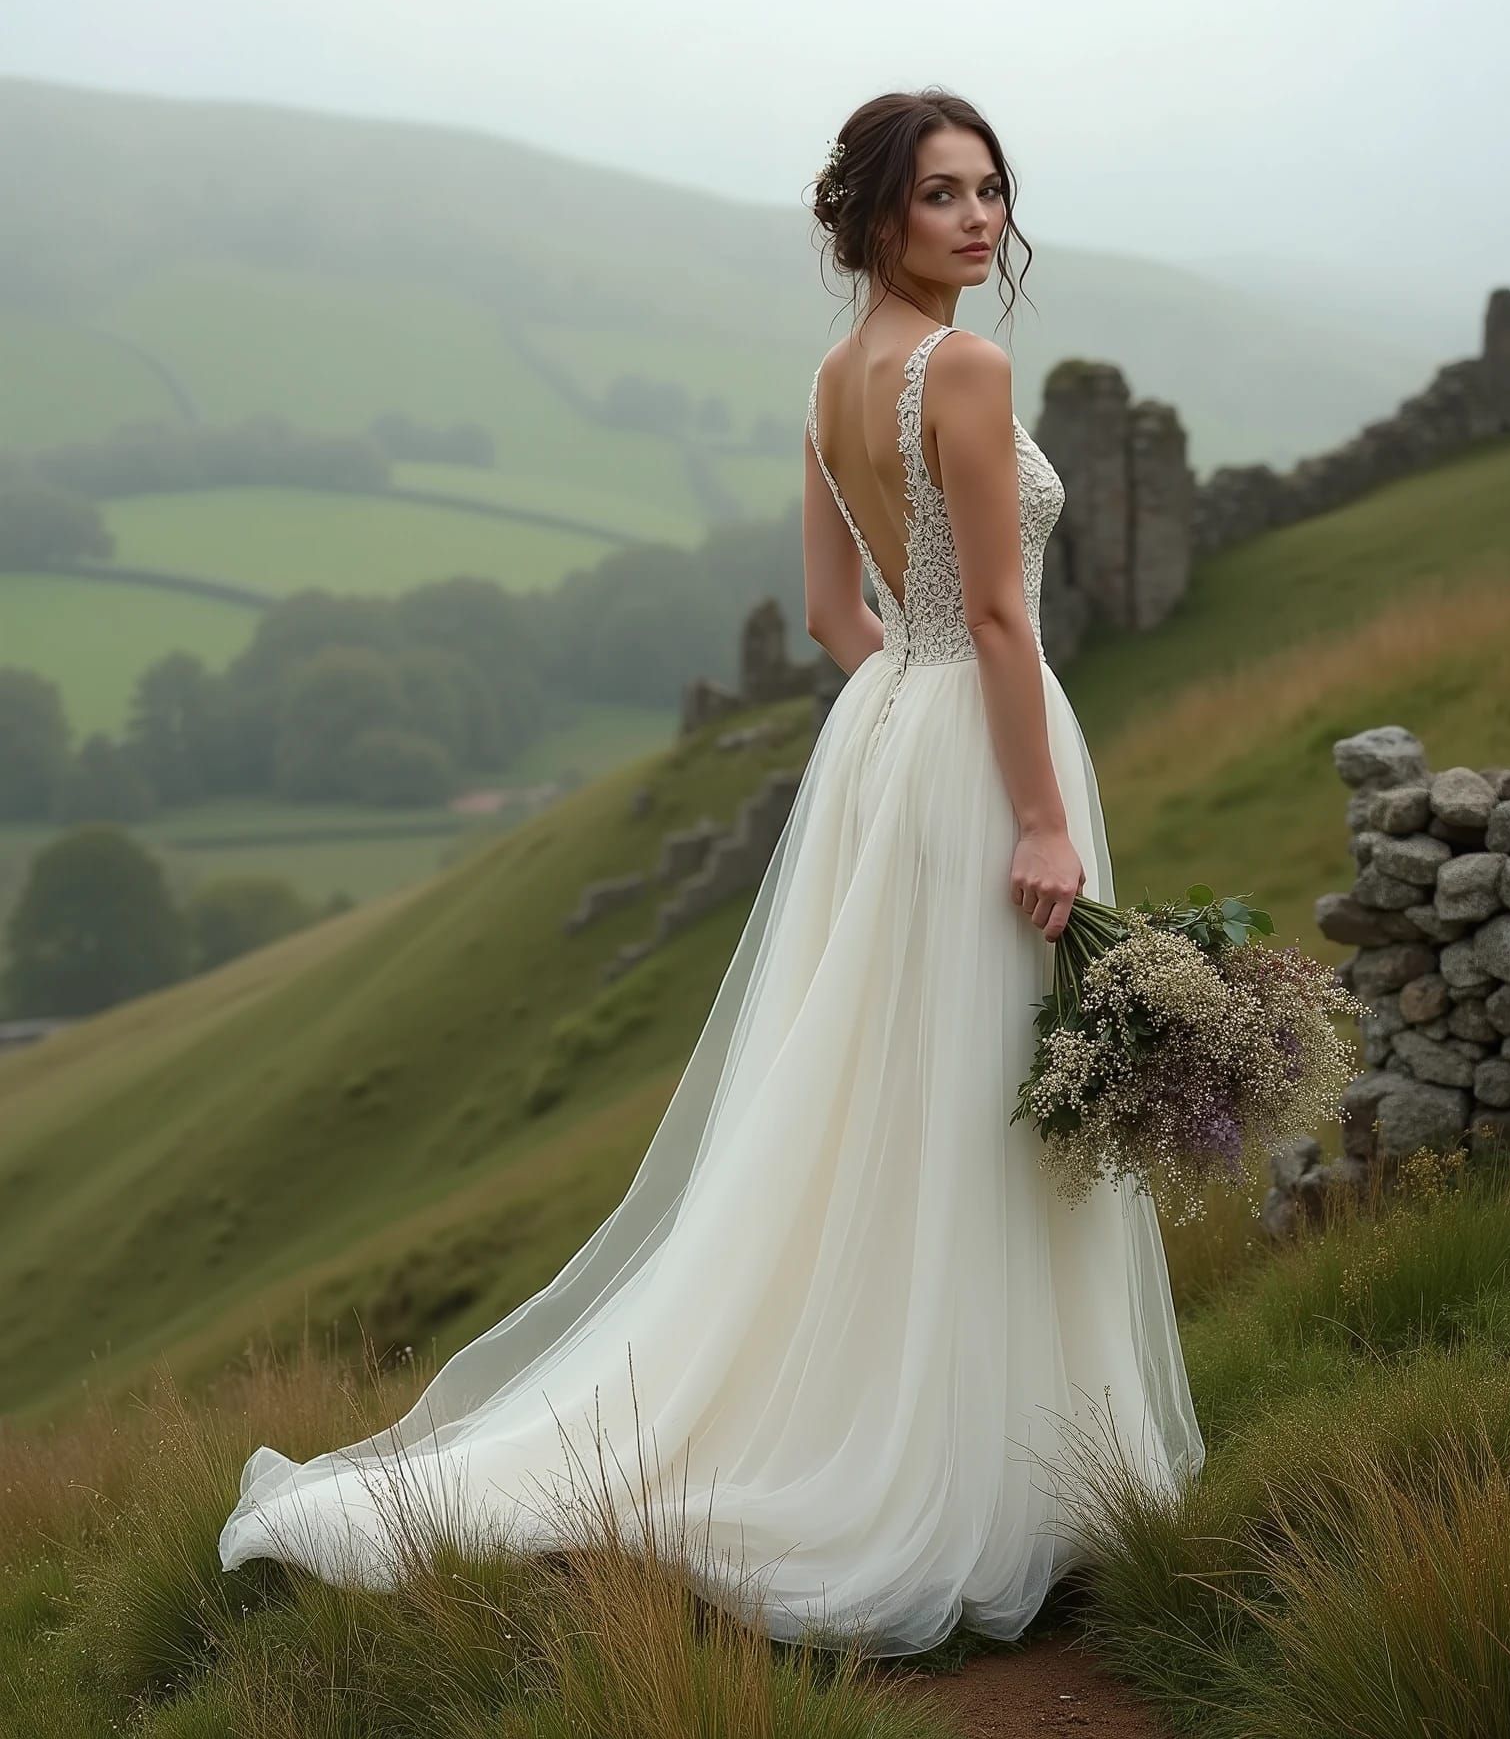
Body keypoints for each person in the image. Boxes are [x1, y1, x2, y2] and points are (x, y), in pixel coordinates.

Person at [219, 87, 1205, 1658]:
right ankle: (982, 1477)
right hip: (975, 746)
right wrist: (1029, 811)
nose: (978, 220)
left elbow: (833, 618)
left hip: (891, 739)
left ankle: (945, 1435)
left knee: (909, 1091)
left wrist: (907, 718)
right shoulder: (964, 365)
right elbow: (1008, 620)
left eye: (992, 191)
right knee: (979, 1091)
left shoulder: (829, 382)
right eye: (942, 195)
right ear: (876, 219)